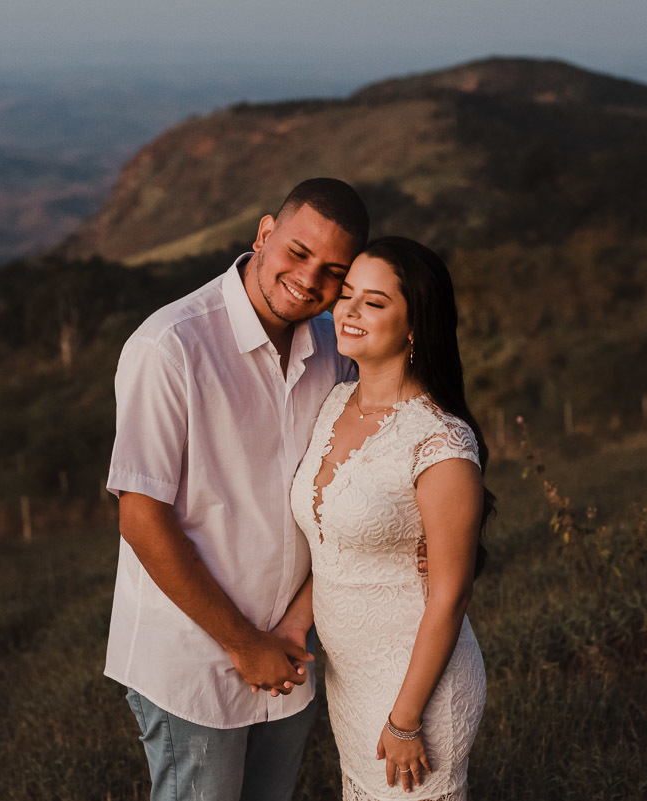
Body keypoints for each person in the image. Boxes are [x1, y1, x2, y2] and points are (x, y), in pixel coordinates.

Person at [104, 178, 369, 801]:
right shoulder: (171, 346)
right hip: (193, 660)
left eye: (333, 271)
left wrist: (290, 630)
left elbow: (339, 497)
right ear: (264, 233)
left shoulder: (334, 350)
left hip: (291, 655)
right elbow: (141, 517)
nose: (309, 280)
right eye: (298, 253)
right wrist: (243, 643)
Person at [285, 237, 495, 799]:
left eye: (373, 302)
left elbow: (450, 595)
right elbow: (333, 549)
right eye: (347, 294)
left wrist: (404, 719)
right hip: (349, 682)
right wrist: (293, 622)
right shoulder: (335, 402)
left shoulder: (440, 442)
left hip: (417, 691)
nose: (347, 311)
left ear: (413, 325)